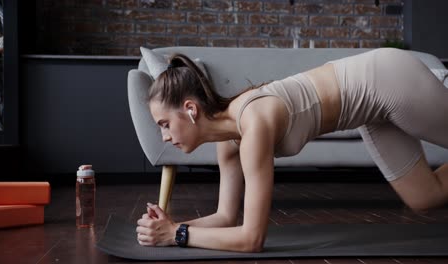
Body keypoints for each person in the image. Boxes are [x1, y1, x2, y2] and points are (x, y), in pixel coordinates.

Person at [136, 48, 448, 252]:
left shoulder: (253, 125)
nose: (164, 137)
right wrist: (171, 227)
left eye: (164, 124)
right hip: (370, 111)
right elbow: (226, 217)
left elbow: (251, 239)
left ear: (190, 109)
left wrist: (177, 234)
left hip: (389, 79)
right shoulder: (229, 142)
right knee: (425, 196)